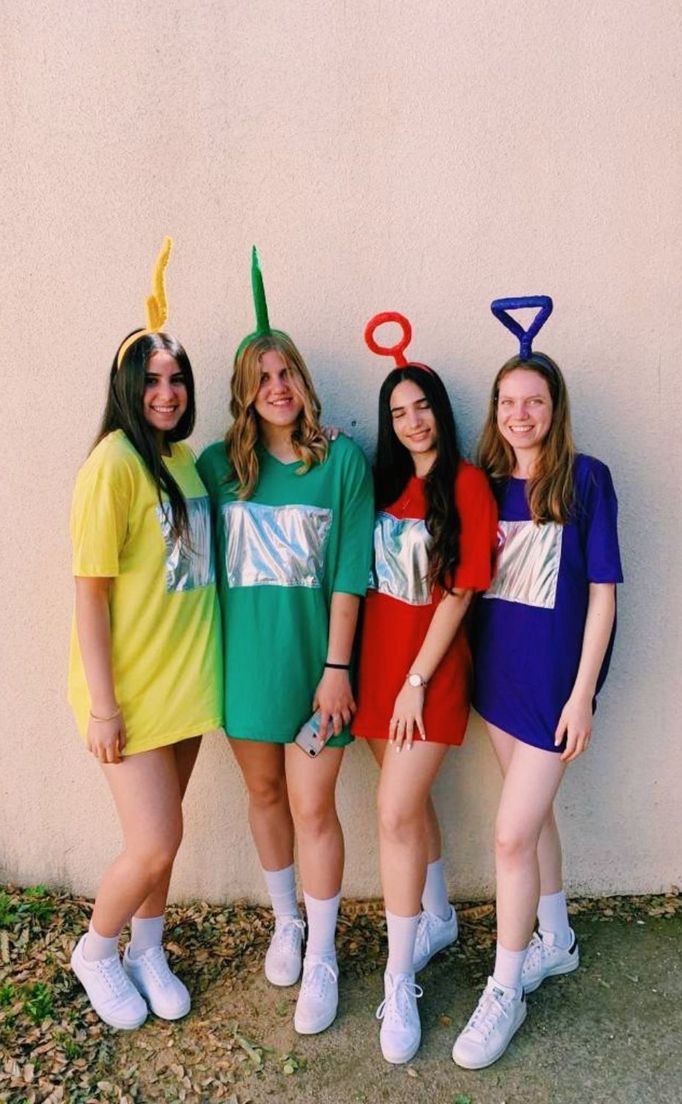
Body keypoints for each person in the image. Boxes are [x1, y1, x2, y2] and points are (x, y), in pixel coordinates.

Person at [197, 248, 373, 1036]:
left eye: (287, 373)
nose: (277, 387)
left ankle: (326, 950)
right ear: (245, 391)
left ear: (303, 380)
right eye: (262, 377)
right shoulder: (214, 468)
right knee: (264, 796)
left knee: (314, 805)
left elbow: (348, 574)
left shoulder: (341, 463)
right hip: (244, 674)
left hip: (318, 674)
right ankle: (287, 924)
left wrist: (338, 668)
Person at [452, 297, 623, 1069]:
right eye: (508, 402)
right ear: (496, 410)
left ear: (555, 410)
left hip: (557, 691)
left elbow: (604, 593)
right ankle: (557, 938)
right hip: (498, 684)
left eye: (535, 402)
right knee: (535, 819)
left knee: (510, 833)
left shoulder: (586, 480)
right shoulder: (483, 485)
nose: (520, 414)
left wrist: (584, 691)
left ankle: (505, 987)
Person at [68, 238, 222, 1029]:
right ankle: (97, 949)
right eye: (152, 380)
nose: (166, 392)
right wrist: (102, 705)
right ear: (128, 387)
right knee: (155, 842)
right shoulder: (114, 464)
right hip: (127, 692)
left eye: (177, 379)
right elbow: (89, 596)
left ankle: (148, 947)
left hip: (186, 685)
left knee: (170, 833)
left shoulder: (186, 459)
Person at [353, 313, 496, 1064]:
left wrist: (416, 681)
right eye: (398, 411)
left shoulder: (467, 483)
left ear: (441, 409)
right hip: (375, 669)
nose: (412, 421)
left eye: (422, 406)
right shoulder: (381, 483)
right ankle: (436, 915)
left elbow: (461, 592)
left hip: (425, 677)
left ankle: (398, 973)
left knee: (394, 813)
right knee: (409, 809)